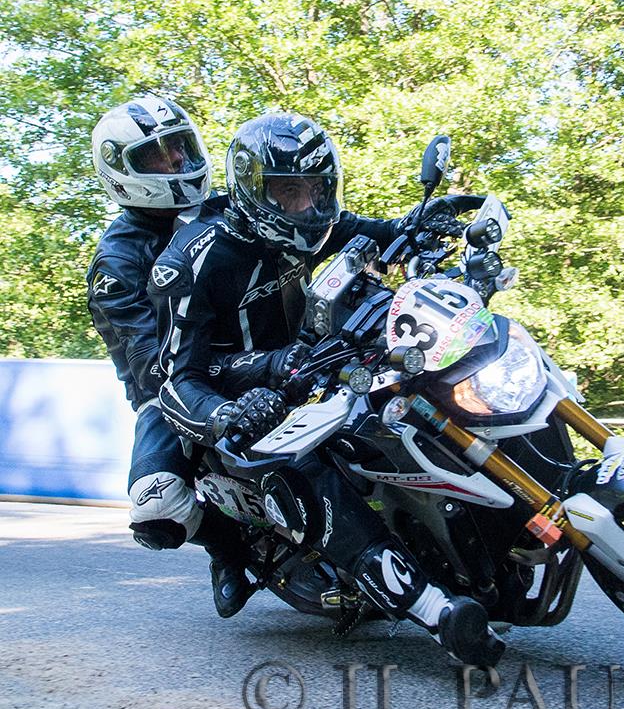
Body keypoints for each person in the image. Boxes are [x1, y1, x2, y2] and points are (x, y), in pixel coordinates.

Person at [149, 112, 503, 665]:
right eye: (289, 192)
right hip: (240, 392)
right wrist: (225, 416)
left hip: (319, 358)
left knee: (414, 386)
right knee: (300, 466)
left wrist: (428, 224)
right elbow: (176, 379)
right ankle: (435, 611)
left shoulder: (315, 220)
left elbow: (384, 236)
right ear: (252, 189)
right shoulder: (192, 262)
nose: (307, 205)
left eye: (317, 189)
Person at [88, 96, 304, 619]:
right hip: (179, 390)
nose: (178, 165)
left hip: (275, 351)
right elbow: (158, 364)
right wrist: (249, 370)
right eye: (158, 157)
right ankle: (227, 545)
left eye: (181, 149)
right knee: (154, 507)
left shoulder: (227, 207)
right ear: (121, 170)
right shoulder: (117, 264)